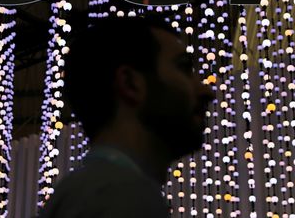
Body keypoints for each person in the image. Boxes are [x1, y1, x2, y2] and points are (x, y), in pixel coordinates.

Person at [38, 15, 215, 218]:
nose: (206, 91)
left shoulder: (80, 193)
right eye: (183, 68)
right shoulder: (122, 197)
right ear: (130, 83)